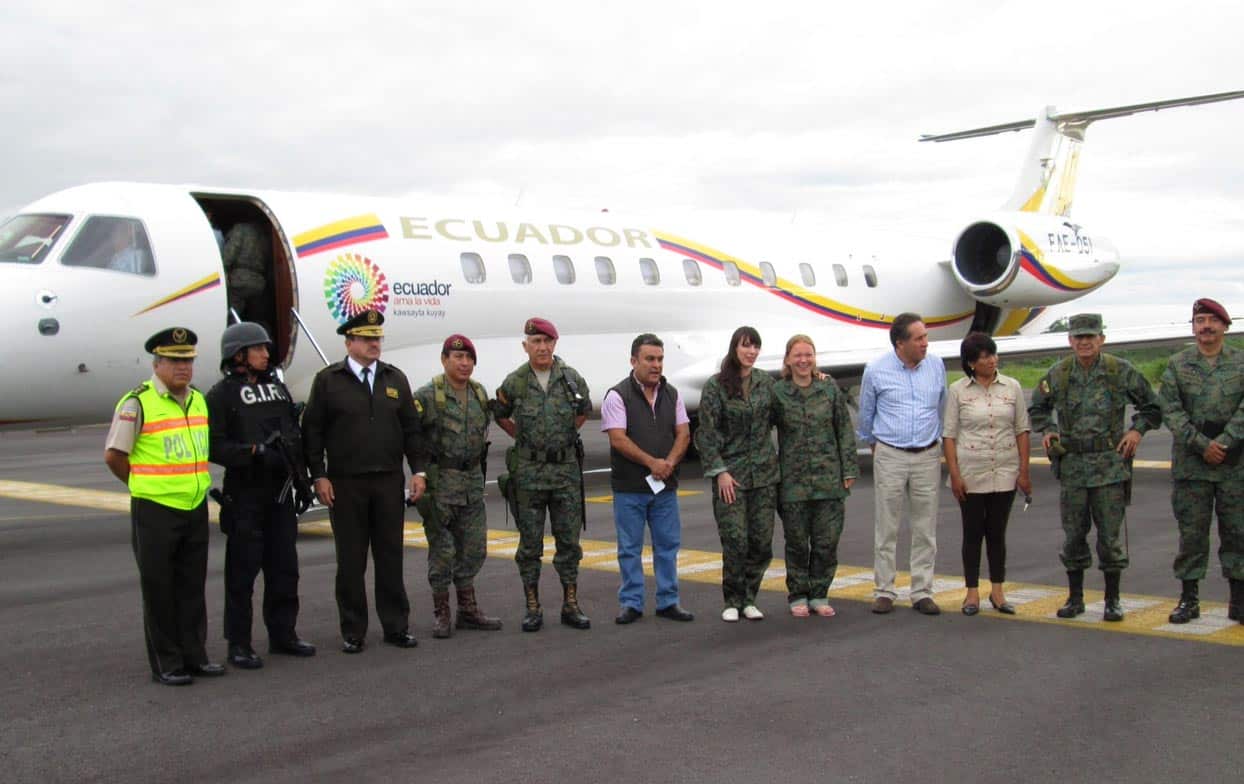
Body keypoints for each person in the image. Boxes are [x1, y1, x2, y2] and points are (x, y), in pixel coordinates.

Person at [103, 327, 224, 685]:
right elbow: (114, 455)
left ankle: (195, 655)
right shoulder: (137, 402)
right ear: (157, 363)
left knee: (191, 587)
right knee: (159, 589)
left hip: (194, 506)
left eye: (188, 360)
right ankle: (167, 663)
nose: (183, 368)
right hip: (155, 509)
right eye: (174, 361)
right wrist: (142, 484)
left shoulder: (199, 400)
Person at [301, 309, 425, 653]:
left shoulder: (394, 378)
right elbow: (312, 431)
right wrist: (319, 475)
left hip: (387, 482)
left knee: (390, 558)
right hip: (346, 483)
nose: (374, 344)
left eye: (377, 338)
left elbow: (411, 429)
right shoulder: (328, 380)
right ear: (349, 341)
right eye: (367, 338)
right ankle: (353, 630)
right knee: (351, 562)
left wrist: (418, 470)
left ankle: (396, 626)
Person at [1029, 313, 1161, 622]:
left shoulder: (1119, 371)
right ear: (1070, 340)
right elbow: (1037, 407)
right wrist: (1048, 429)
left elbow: (1152, 407)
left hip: (1109, 468)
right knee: (1074, 535)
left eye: (1091, 336)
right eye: (1079, 337)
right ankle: (1075, 598)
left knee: (1110, 538)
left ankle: (1112, 600)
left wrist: (1136, 430)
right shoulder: (1058, 374)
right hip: (1073, 468)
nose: (1085, 342)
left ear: (1101, 339)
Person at [205, 322, 316, 669]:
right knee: (242, 574)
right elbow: (213, 445)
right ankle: (238, 644)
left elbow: (293, 437)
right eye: (259, 349)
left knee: (285, 569)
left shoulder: (277, 390)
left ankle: (283, 634)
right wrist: (251, 452)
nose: (266, 355)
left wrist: (302, 482)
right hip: (246, 495)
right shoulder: (221, 395)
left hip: (281, 494)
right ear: (238, 354)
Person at [494, 317, 593, 631]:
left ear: (554, 344)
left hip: (565, 472)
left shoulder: (571, 379)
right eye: (535, 342)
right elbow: (500, 413)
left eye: (547, 341)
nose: (542, 347)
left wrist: (561, 439)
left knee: (569, 543)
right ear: (526, 346)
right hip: (529, 474)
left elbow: (583, 411)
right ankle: (533, 606)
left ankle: (571, 603)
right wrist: (523, 437)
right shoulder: (516, 381)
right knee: (530, 545)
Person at [1158, 298, 1244, 624]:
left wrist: (1224, 441)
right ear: (1193, 327)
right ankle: (1189, 599)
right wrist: (1201, 444)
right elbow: (1171, 410)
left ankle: (1239, 600)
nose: (1206, 326)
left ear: (1225, 326)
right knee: (1192, 534)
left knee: (1237, 532)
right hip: (1192, 465)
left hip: (1234, 464)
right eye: (1200, 320)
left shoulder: (1241, 362)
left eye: (1212, 320)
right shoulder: (1178, 364)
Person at [412, 334, 502, 638]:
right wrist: (419, 475)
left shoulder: (478, 393)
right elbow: (411, 437)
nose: (464, 364)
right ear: (444, 359)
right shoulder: (428, 395)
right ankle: (441, 612)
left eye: (469, 359)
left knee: (475, 548)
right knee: (443, 551)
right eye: (457, 358)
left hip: (472, 484)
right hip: (441, 486)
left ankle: (468, 610)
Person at [601, 333, 694, 625]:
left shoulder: (673, 394)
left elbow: (684, 433)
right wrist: (652, 462)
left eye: (660, 359)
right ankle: (632, 603)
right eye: (650, 359)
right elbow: (618, 439)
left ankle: (669, 601)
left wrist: (669, 463)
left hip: (664, 488)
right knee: (629, 549)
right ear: (634, 361)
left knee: (667, 546)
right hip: (630, 489)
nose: (656, 365)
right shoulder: (617, 395)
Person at [857, 312, 946, 615]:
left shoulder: (936, 366)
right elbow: (866, 414)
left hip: (927, 455)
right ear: (900, 343)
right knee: (887, 526)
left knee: (925, 528)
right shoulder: (876, 370)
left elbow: (941, 406)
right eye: (918, 338)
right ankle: (884, 590)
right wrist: (878, 447)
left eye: (925, 336)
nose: (925, 343)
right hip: (891, 453)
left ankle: (922, 591)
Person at [942, 332, 1031, 616]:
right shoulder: (958, 391)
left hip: (1004, 468)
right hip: (971, 470)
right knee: (972, 533)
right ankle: (971, 594)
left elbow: (1021, 429)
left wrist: (1024, 471)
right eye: (983, 357)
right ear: (971, 363)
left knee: (997, 533)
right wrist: (954, 474)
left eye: (993, 354)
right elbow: (949, 435)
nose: (991, 360)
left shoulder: (1012, 387)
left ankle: (998, 591)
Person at [695, 326, 779, 622]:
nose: (751, 352)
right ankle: (732, 599)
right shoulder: (716, 386)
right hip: (732, 477)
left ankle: (749, 598)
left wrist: (816, 377)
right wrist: (719, 472)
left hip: (764, 477)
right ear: (735, 348)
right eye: (746, 346)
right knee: (735, 540)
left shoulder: (766, 383)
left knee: (761, 542)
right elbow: (706, 433)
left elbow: (786, 408)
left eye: (756, 346)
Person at [772, 334, 858, 617]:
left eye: (808, 354)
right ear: (787, 360)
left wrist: (849, 468)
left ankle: (820, 593)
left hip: (828, 480)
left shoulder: (828, 388)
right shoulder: (778, 393)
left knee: (826, 541)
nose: (803, 360)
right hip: (793, 483)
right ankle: (798, 593)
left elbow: (843, 429)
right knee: (796, 542)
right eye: (797, 355)